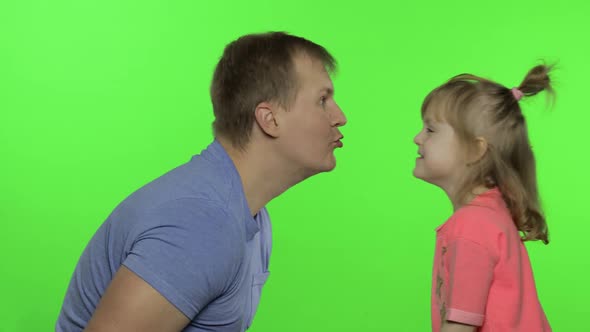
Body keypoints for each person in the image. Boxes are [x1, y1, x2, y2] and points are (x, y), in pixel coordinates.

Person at [56, 31, 347, 332]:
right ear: (269, 119)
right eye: (323, 100)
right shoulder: (202, 223)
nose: (340, 117)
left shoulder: (251, 217)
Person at [413, 65, 553, 331]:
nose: (417, 138)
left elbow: (460, 325)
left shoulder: (470, 226)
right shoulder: (491, 213)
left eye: (430, 130)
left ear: (476, 150)